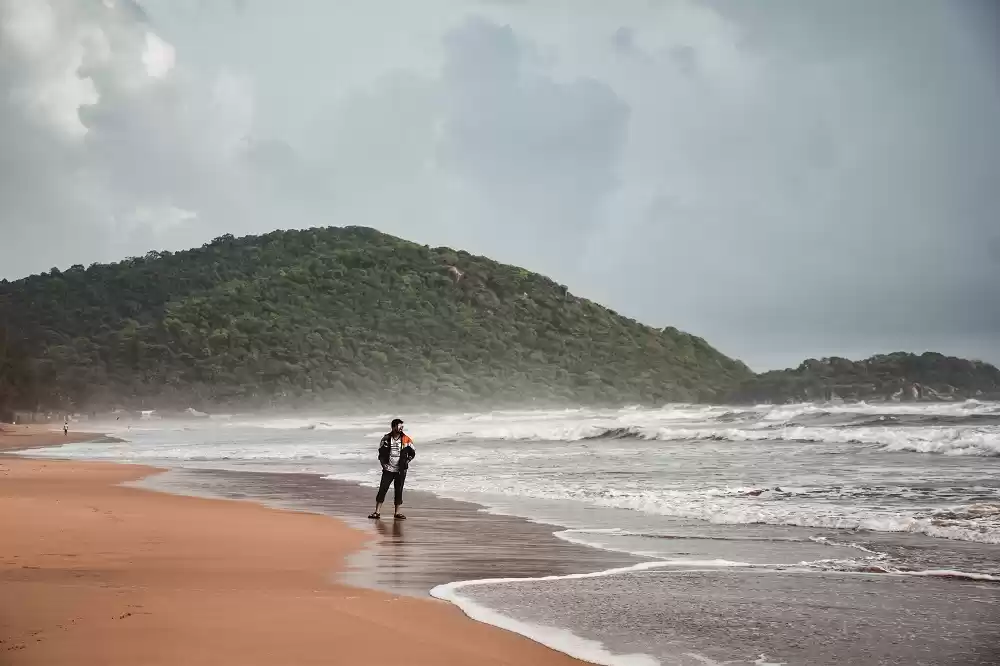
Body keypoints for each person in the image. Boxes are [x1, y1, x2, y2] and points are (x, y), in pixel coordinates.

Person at [368, 418, 415, 521]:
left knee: (399, 491)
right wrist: (383, 464)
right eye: (399, 426)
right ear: (394, 427)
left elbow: (413, 452)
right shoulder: (386, 439)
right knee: (382, 489)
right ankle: (377, 512)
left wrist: (407, 461)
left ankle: (397, 513)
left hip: (400, 470)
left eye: (402, 426)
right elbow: (380, 453)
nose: (402, 428)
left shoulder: (406, 439)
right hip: (388, 469)